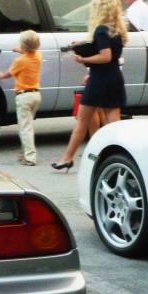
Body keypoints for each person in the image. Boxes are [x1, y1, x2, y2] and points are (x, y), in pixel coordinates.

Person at [53, 0, 128, 172]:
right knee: (113, 123)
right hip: (114, 77)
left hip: (100, 80)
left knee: (82, 120)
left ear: (99, 10)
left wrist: (83, 59)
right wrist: (84, 46)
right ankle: (119, 158)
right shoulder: (116, 30)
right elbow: (110, 56)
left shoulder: (101, 30)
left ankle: (67, 158)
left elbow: (105, 56)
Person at [0, 30, 42, 166]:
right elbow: (31, 53)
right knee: (28, 126)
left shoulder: (20, 61)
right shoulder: (38, 56)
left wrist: (0, 76)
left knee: (25, 128)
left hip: (24, 96)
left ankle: (30, 157)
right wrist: (22, 50)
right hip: (36, 95)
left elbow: (9, 74)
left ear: (23, 46)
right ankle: (26, 153)